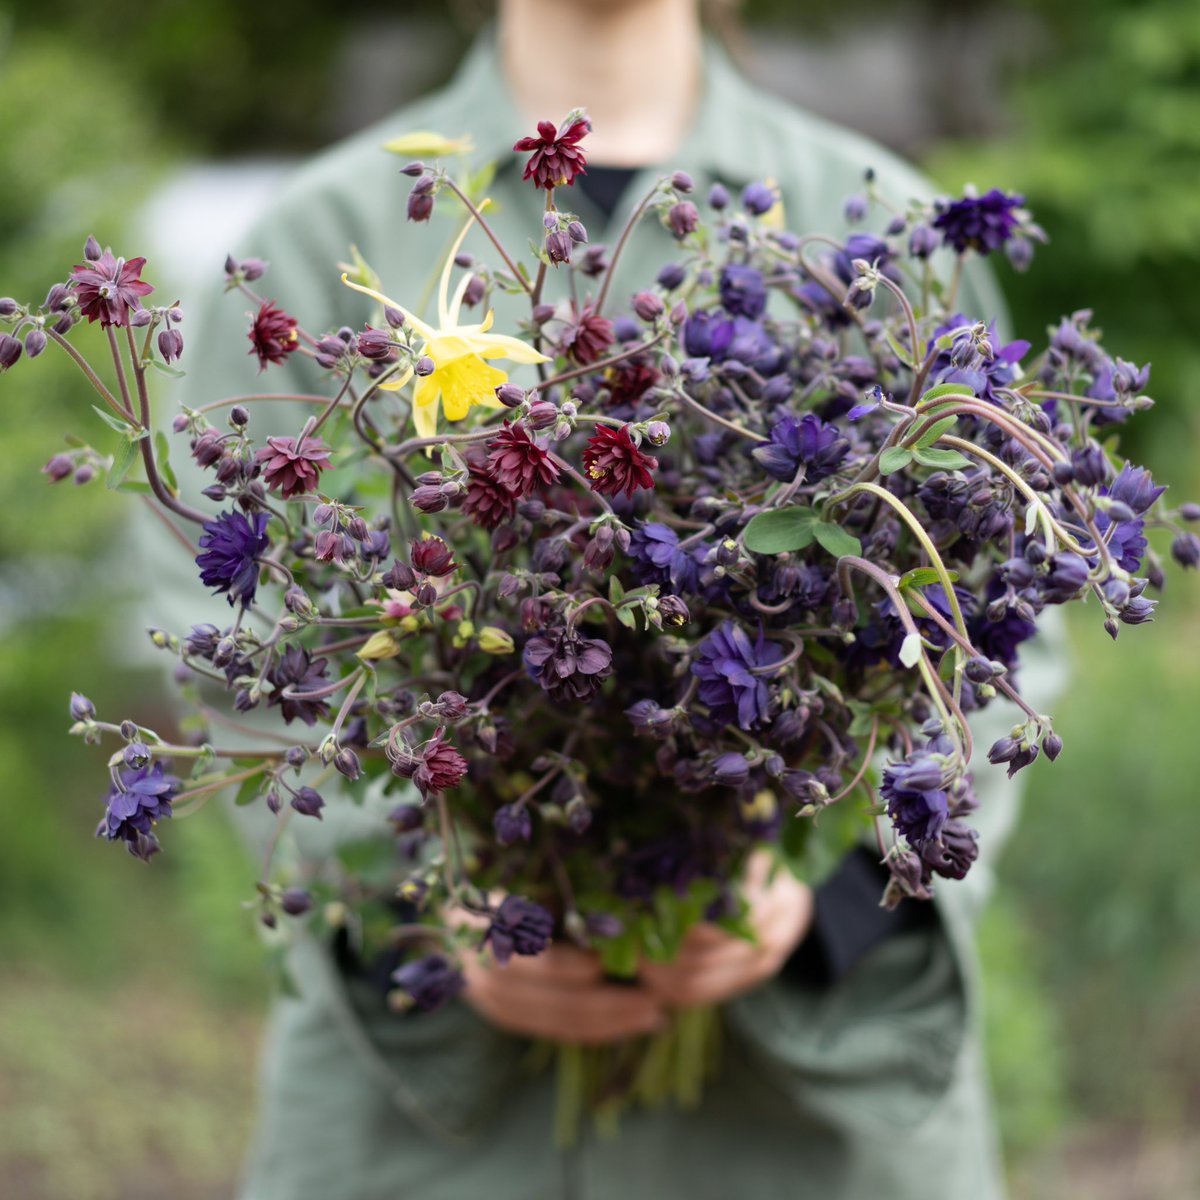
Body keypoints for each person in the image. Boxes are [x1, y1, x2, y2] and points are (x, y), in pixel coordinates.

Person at [148, 1, 1065, 1196]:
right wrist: (434, 901)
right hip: (426, 1119)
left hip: (800, 1114)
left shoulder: (885, 223)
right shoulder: (318, 239)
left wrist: (830, 898)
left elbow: (994, 632)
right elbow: (234, 641)